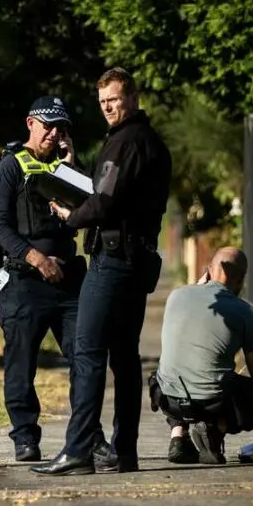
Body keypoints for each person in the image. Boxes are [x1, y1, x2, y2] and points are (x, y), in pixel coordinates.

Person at [32, 67, 172, 476]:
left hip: (112, 260)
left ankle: (77, 450)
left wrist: (71, 215)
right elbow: (115, 195)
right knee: (125, 357)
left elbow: (105, 202)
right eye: (102, 103)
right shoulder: (151, 143)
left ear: (132, 97)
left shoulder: (124, 142)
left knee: (88, 350)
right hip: (136, 259)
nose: (108, 108)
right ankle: (124, 451)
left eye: (113, 99)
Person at [0, 95, 110, 462]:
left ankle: (90, 436)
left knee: (85, 358)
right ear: (31, 124)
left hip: (69, 279)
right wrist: (37, 259)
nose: (55, 133)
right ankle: (25, 436)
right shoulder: (10, 166)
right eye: (49, 126)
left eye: (62, 128)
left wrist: (71, 166)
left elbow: (93, 205)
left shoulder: (66, 165)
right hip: (25, 279)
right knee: (21, 363)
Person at [149, 247, 253, 464]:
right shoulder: (243, 312)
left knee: (172, 370)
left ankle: (178, 434)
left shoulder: (176, 296)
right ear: (241, 278)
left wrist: (198, 285)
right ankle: (215, 427)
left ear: (208, 271)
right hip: (211, 403)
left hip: (168, 399)